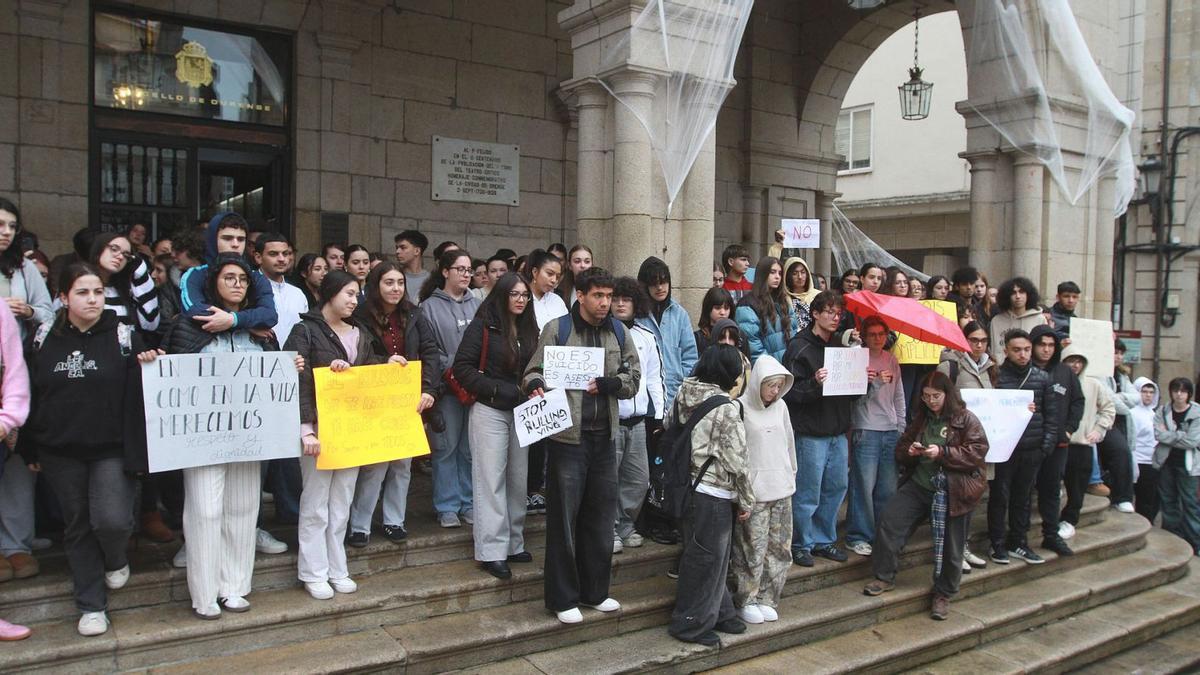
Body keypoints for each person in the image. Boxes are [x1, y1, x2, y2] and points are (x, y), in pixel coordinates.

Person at [160, 254, 303, 619]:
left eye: (242, 278)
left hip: (249, 438)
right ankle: (204, 594)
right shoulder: (187, 327)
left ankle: (236, 586)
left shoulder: (262, 333)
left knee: (243, 510)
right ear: (213, 283)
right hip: (202, 440)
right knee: (205, 512)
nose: (237, 284)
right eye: (229, 277)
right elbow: (171, 377)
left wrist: (290, 365)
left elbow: (275, 378)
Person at [21, 262, 156, 636]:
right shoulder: (43, 336)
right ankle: (91, 605)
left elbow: (142, 392)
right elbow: (31, 392)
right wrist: (31, 446)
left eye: (97, 291)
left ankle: (115, 558)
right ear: (63, 297)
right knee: (78, 525)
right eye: (82, 292)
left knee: (112, 520)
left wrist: (148, 361)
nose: (93, 299)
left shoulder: (124, 334)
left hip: (111, 448)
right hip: (59, 450)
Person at [521, 267, 640, 625]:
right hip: (566, 439)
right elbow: (532, 370)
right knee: (564, 521)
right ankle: (562, 597)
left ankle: (595, 592)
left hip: (605, 437)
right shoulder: (558, 328)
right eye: (599, 296)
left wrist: (609, 384)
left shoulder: (619, 331)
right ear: (582, 297)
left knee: (601, 519)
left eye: (609, 296)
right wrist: (536, 384)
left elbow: (634, 378)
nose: (606, 303)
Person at [284, 270, 396, 600]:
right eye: (348, 293)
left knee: (342, 500)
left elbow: (368, 370)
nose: (353, 300)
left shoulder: (359, 332)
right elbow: (297, 382)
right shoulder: (304, 330)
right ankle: (313, 570)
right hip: (318, 429)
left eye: (356, 294)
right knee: (316, 502)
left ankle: (338, 567)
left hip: (351, 429)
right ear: (330, 294)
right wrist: (306, 430)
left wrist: (390, 363)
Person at [863, 371, 988, 621]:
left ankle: (943, 593)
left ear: (947, 395)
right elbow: (901, 451)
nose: (931, 401)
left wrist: (943, 452)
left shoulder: (965, 419)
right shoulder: (922, 419)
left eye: (936, 396)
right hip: (920, 483)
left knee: (951, 545)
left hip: (953, 489)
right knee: (891, 520)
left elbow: (977, 452)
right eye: (926, 396)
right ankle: (884, 576)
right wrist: (910, 452)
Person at [453, 272, 540, 579]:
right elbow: (461, 368)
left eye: (525, 295)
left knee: (518, 480)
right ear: (502, 295)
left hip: (523, 412)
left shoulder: (531, 328)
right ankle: (491, 550)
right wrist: (497, 389)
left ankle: (514, 543)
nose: (520, 300)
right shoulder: (483, 325)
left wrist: (535, 384)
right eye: (514, 294)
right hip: (490, 408)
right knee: (490, 480)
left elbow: (537, 366)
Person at [347, 263, 439, 547]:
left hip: (408, 399)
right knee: (375, 464)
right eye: (389, 282)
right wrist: (382, 364)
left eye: (400, 282)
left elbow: (431, 351)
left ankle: (394, 520)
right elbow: (358, 354)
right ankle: (359, 524)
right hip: (374, 399)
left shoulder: (414, 313)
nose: (396, 288)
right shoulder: (360, 316)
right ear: (376, 285)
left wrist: (429, 389)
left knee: (403, 463)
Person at [668, 345, 754, 647]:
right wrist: (747, 500)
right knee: (708, 561)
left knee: (704, 556)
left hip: (688, 488)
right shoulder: (726, 408)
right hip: (714, 492)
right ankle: (689, 623)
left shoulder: (685, 393)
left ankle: (721, 611)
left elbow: (670, 426)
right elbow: (737, 461)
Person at [782, 290, 862, 567]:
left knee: (835, 488)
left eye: (838, 313)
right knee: (807, 492)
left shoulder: (842, 347)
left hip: (838, 431)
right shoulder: (799, 347)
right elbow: (789, 392)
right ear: (815, 313)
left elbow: (852, 394)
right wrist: (815, 383)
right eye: (829, 311)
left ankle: (824, 540)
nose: (834, 317)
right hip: (811, 433)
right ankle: (800, 543)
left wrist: (862, 379)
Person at [0, 198, 52, 583]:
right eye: (0, 224)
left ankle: (15, 545)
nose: (5, 231)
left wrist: (29, 313)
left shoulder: (24, 268)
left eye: (12, 226)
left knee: (18, 464)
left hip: (16, 375)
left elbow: (49, 312)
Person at [419, 249, 481, 528]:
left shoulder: (478, 303)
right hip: (446, 388)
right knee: (445, 447)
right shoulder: (428, 307)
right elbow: (428, 349)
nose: (466, 275)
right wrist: (456, 367)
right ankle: (446, 506)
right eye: (460, 269)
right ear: (445, 271)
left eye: (469, 270)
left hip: (475, 388)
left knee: (470, 449)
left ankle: (468, 502)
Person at [732, 355, 794, 625]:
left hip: (781, 487)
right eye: (771, 385)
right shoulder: (740, 408)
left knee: (779, 548)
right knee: (751, 549)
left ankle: (770, 596)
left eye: (780, 385)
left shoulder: (782, 408)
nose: (775, 391)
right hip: (755, 491)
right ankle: (747, 598)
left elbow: (789, 443)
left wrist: (792, 473)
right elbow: (737, 452)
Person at [989, 329, 1059, 566]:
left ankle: (1018, 541)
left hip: (1032, 448)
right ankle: (997, 543)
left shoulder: (1042, 377)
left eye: (1026, 349)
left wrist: (1045, 446)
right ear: (1006, 350)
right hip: (1004, 448)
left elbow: (1051, 414)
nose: (1022, 354)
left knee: (1023, 497)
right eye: (1017, 350)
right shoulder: (996, 377)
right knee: (1000, 496)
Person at [936, 320, 997, 571]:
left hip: (978, 443)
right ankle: (953, 551)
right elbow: (936, 398)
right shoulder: (951, 365)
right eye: (974, 340)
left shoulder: (990, 368)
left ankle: (964, 546)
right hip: (956, 443)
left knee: (972, 496)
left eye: (983, 341)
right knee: (955, 499)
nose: (979, 345)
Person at [610, 277, 664, 554]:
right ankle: (609, 530)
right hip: (610, 419)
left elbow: (655, 379)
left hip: (639, 419)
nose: (620, 304)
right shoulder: (604, 334)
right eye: (616, 298)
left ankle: (625, 525)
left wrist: (659, 414)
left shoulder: (646, 336)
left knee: (638, 479)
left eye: (626, 299)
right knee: (609, 478)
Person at [845, 316, 905, 557]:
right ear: (864, 335)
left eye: (882, 334)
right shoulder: (856, 358)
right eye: (873, 334)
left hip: (890, 429)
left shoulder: (891, 359)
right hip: (866, 427)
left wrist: (901, 426)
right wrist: (874, 383)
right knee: (863, 486)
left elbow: (899, 395)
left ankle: (883, 533)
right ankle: (858, 535)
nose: (878, 338)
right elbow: (854, 399)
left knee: (888, 488)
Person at [1028, 325, 1083, 555]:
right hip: (1029, 443)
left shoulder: (1065, 372)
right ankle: (1017, 538)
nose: (1046, 350)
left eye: (1051, 345)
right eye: (1042, 344)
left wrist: (1069, 429)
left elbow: (1078, 401)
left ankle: (1051, 534)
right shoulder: (1024, 371)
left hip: (1058, 443)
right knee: (1022, 492)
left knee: (1051, 490)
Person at [1058, 347, 1122, 540]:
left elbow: (1108, 408)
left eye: (1079, 361)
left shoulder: (1093, 385)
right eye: (1071, 360)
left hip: (1081, 444)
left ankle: (1069, 520)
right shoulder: (1055, 381)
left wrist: (1099, 429)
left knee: (1077, 487)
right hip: (1058, 443)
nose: (1075, 365)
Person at [179, 213, 277, 338]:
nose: (235, 244)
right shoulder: (195, 275)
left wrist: (234, 320)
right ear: (212, 240)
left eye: (241, 239)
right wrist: (244, 324)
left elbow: (269, 315)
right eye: (227, 238)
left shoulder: (257, 277)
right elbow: (195, 311)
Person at [636, 257, 698, 409]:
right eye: (654, 284)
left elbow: (690, 355)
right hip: (643, 395)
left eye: (663, 282)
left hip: (674, 394)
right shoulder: (636, 315)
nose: (660, 288)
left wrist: (680, 379)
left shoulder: (679, 314)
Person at [1152, 378, 1200, 555]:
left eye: (1183, 391)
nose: (1179, 394)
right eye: (1175, 390)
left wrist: (1170, 435)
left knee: (1190, 504)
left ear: (1189, 394)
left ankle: (1195, 542)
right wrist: (1179, 435)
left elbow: (1192, 441)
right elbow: (1157, 434)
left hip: (1188, 466)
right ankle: (1173, 539)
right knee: (1168, 502)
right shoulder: (1164, 410)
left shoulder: (1197, 413)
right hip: (1166, 463)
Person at [90, 233, 160, 335]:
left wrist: (140, 270)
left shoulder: (126, 289)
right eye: (114, 249)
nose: (120, 257)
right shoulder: (79, 284)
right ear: (99, 249)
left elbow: (151, 323)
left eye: (126, 255)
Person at [735, 257, 796, 364]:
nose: (777, 277)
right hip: (766, 372)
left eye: (780, 273)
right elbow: (753, 346)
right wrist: (772, 370)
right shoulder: (747, 304)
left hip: (789, 368)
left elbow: (794, 334)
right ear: (763, 274)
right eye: (772, 272)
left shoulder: (783, 302)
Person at [988, 277, 1049, 359]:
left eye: (1021, 292)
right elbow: (996, 350)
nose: (1018, 296)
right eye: (1013, 293)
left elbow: (1042, 347)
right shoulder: (997, 321)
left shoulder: (1039, 319)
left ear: (1028, 295)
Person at [1130, 377, 1161, 522]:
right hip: (1139, 462)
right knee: (1141, 501)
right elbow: (1131, 440)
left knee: (1151, 500)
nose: (1148, 395)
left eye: (1151, 392)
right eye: (1144, 391)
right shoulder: (1133, 413)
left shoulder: (1153, 413)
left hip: (1152, 462)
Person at [527, 250, 568, 329]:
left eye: (557, 277)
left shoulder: (557, 301)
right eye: (549, 273)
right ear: (535, 272)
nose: (554, 280)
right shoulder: (522, 298)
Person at [694, 287, 735, 354]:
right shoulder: (698, 338)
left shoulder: (739, 335)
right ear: (708, 308)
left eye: (726, 308)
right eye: (717, 308)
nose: (722, 312)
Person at [782, 257, 817, 336]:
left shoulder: (819, 295)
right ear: (787, 276)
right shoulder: (783, 298)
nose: (800, 277)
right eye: (795, 273)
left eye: (803, 272)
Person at [394, 231, 429, 305]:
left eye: (403, 247)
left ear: (417, 251)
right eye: (397, 248)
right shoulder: (395, 276)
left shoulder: (430, 279)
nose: (397, 251)